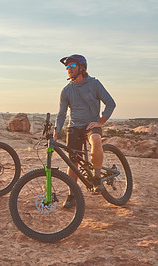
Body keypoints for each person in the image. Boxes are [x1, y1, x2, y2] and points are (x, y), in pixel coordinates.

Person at [53, 54, 116, 208]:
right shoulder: (66, 90)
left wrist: (100, 122)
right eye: (67, 67)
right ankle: (72, 194)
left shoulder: (94, 84)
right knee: (73, 162)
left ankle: (96, 178)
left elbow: (110, 103)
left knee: (95, 141)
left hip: (91, 124)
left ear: (82, 68)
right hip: (74, 126)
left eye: (72, 66)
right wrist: (55, 132)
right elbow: (61, 114)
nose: (69, 69)